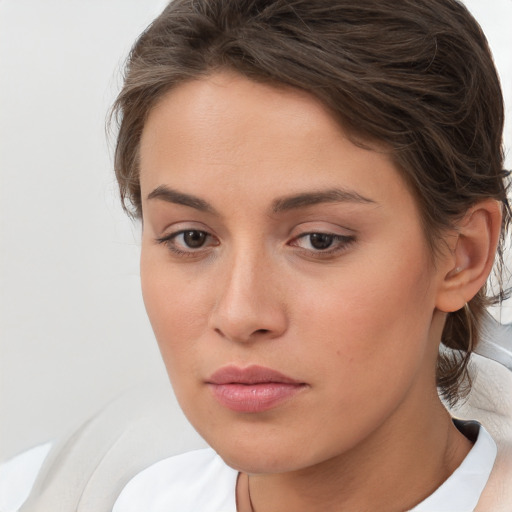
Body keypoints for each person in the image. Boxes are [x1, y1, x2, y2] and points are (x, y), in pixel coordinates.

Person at [2, 0, 511, 511]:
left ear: (462, 256)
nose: (240, 314)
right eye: (192, 238)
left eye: (319, 240)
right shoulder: (84, 487)